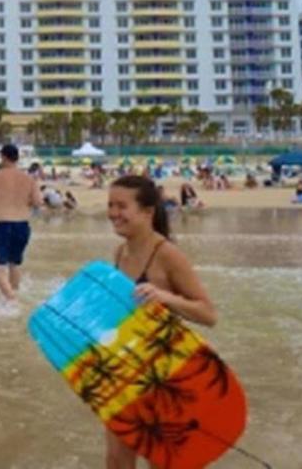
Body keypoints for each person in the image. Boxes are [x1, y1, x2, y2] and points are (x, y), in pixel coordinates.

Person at [106, 175, 217, 468]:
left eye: (121, 206)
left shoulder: (167, 254)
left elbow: (208, 314)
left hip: (164, 373)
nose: (113, 213)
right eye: (110, 205)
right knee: (117, 459)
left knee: (162, 459)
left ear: (147, 212)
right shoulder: (120, 252)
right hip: (124, 367)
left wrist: (167, 298)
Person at [0, 144, 42, 301]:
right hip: (22, 225)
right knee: (14, 264)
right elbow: (38, 202)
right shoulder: (28, 178)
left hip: (2, 223)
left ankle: (10, 297)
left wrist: (1, 197)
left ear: (3, 157)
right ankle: (13, 297)